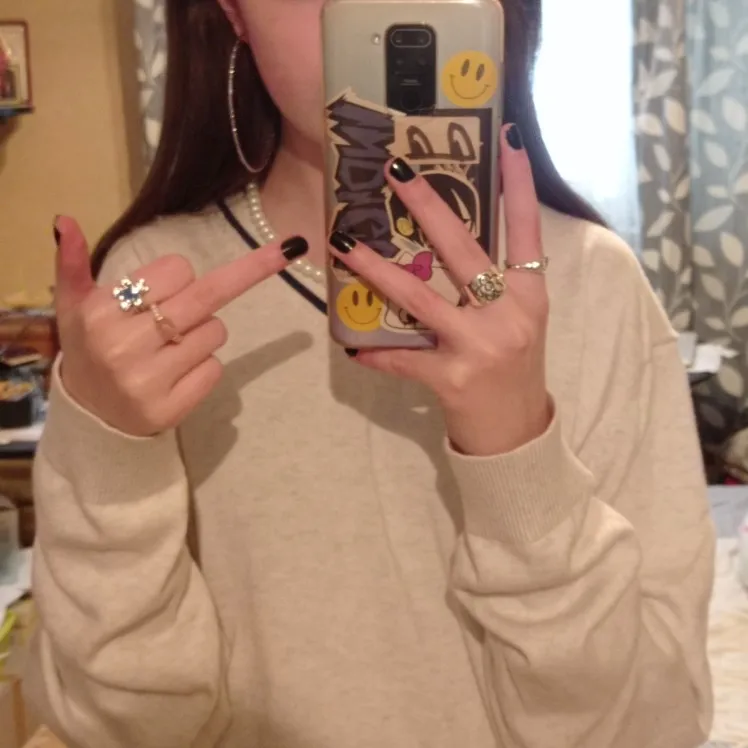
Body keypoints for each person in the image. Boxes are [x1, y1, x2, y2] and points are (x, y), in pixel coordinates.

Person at [25, 1, 716, 746]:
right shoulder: (157, 291)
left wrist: (519, 456)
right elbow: (123, 727)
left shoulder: (594, 282)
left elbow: (650, 727)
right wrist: (108, 456)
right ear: (233, 13)